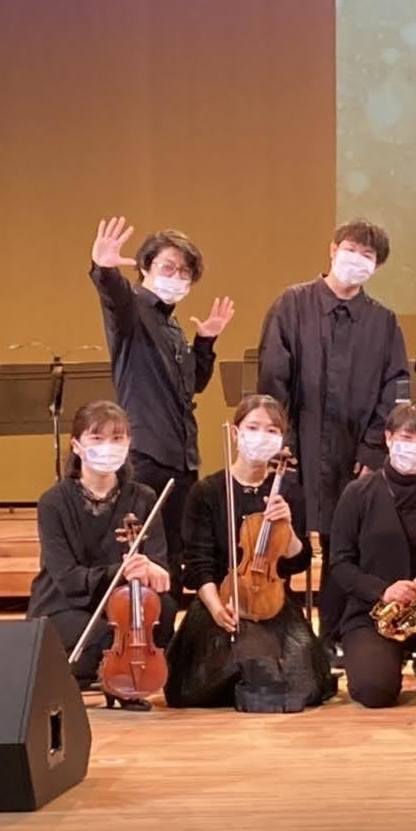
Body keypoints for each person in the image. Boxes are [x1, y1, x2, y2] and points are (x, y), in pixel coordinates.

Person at [257, 217, 409, 663]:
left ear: (377, 266)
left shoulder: (384, 321)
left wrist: (373, 448)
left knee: (345, 543)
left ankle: (335, 635)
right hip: (295, 450)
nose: (356, 260)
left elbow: (395, 386)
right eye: (351, 250)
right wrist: (280, 441)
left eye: (368, 255)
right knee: (284, 537)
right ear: (332, 249)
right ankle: (280, 633)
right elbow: (273, 377)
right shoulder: (292, 304)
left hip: (355, 451)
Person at [89, 216, 234, 597]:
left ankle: (165, 630)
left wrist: (205, 343)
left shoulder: (171, 324)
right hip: (146, 454)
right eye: (168, 267)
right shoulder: (134, 309)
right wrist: (103, 269)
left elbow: (192, 384)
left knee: (172, 557)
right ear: (145, 267)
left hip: (181, 456)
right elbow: (114, 298)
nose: (177, 277)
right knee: (144, 556)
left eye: (185, 272)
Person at [164, 396, 333, 712]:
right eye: (253, 427)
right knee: (251, 661)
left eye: (272, 430)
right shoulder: (208, 492)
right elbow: (198, 565)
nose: (262, 436)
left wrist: (288, 528)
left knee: (305, 681)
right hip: (220, 601)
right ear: (235, 433)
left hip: (273, 601)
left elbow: (298, 561)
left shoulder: (289, 491)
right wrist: (217, 608)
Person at [26, 400, 176, 701]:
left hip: (122, 606)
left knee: (164, 609)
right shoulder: (53, 502)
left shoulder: (144, 498)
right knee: (106, 636)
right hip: (66, 604)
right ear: (76, 446)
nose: (108, 446)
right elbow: (67, 579)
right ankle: (107, 674)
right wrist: (121, 572)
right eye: (97, 438)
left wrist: (153, 570)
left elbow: (158, 563)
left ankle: (115, 672)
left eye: (117, 438)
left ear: (128, 443)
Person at [328, 402, 416, 708]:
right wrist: (382, 591)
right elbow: (340, 563)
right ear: (389, 437)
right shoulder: (358, 494)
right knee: (373, 691)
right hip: (373, 612)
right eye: (407, 437)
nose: (415, 447)